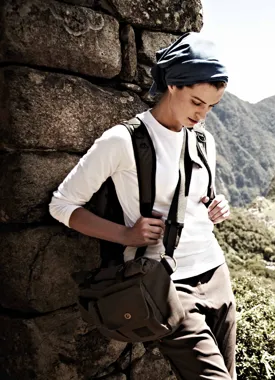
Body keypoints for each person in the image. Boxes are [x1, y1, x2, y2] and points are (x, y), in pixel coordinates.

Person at [49, 32, 236, 380]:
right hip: (166, 284)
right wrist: (124, 234)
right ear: (173, 84)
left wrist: (217, 205)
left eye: (211, 106)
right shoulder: (122, 141)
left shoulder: (203, 139)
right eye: (197, 102)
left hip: (215, 272)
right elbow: (62, 205)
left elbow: (197, 198)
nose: (203, 113)